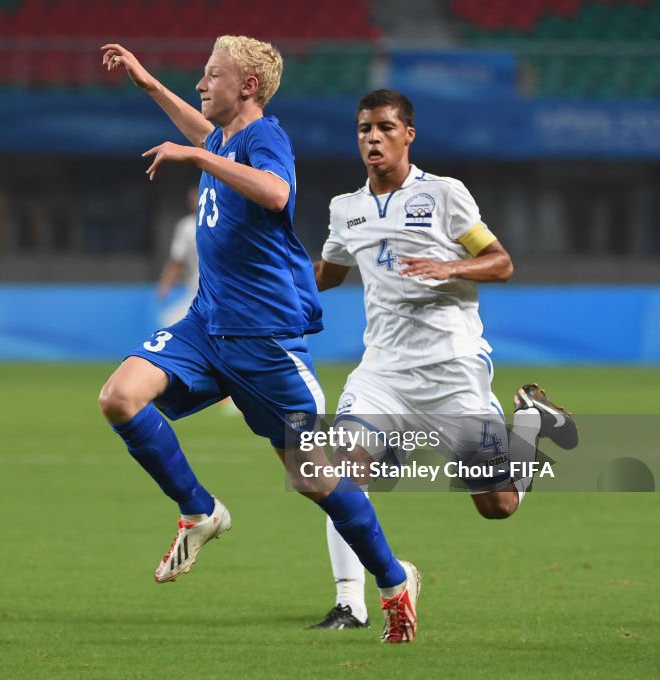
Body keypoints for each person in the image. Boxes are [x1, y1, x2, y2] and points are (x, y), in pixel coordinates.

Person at [98, 40, 421, 643]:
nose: (200, 82)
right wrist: (147, 81)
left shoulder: (266, 137)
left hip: (265, 341)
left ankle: (394, 580)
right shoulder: (223, 138)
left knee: (313, 479)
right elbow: (201, 131)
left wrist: (197, 159)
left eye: (211, 74)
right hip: (206, 325)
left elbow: (275, 192)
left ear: (246, 86)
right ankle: (200, 511)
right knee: (119, 397)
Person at [308, 89, 577, 630]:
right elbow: (328, 275)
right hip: (382, 371)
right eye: (364, 129)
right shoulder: (347, 210)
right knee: (334, 474)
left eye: (385, 127)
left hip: (452, 370)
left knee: (496, 506)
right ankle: (352, 601)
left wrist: (448, 268)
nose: (373, 138)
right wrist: (273, 291)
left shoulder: (445, 195)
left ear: (408, 134)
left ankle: (530, 426)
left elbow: (500, 262)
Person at [155, 185, 200, 328]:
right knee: (170, 322)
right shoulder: (186, 227)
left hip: (221, 289)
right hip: (196, 289)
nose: (195, 202)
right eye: (193, 199)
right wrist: (165, 284)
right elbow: (177, 261)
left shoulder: (223, 221)